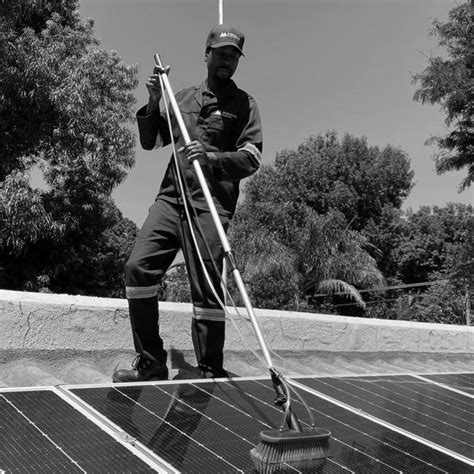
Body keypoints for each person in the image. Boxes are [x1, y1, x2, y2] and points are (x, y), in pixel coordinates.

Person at [113, 24, 263, 382]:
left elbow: (252, 158)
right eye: (221, 54)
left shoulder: (245, 105)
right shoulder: (182, 99)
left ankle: (209, 368)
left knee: (207, 288)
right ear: (207, 54)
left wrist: (211, 158)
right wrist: (154, 102)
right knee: (138, 268)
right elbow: (152, 141)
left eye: (234, 56)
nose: (227, 61)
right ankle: (151, 361)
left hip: (210, 205)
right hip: (171, 198)